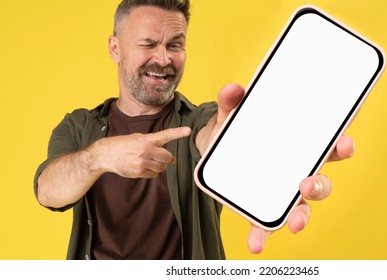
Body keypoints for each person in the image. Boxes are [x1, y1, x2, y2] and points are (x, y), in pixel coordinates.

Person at [34, 0, 355, 260]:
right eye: (148, 44)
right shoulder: (79, 126)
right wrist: (100, 156)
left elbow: (213, 136)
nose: (163, 59)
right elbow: (47, 191)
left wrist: (235, 143)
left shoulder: (202, 118)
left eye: (175, 45)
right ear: (115, 48)